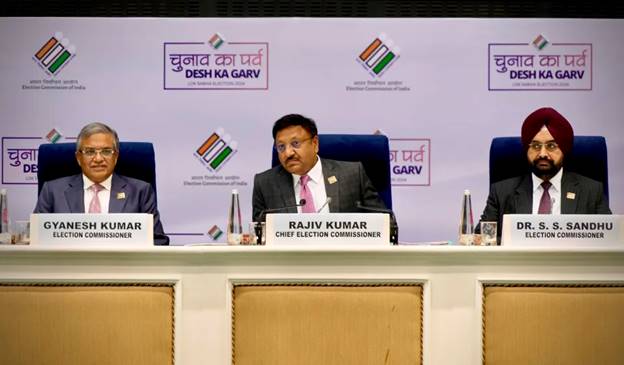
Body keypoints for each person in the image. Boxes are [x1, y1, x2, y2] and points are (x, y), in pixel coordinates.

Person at [478, 107, 611, 241]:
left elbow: (609, 240)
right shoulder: (502, 192)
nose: (542, 153)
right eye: (535, 146)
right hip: (519, 261)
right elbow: (481, 240)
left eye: (551, 146)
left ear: (564, 149)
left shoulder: (592, 191)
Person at [34, 122, 169, 245]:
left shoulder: (140, 191)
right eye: (90, 152)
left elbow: (158, 242)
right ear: (78, 158)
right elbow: (35, 239)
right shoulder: (52, 191)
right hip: (67, 268)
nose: (98, 159)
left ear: (115, 157)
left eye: (106, 151)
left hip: (124, 268)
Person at [252, 114, 389, 222]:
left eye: (295, 143)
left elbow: (386, 223)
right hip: (290, 257)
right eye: (281, 147)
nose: (288, 153)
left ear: (315, 143)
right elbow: (260, 236)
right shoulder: (265, 184)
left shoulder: (352, 175)